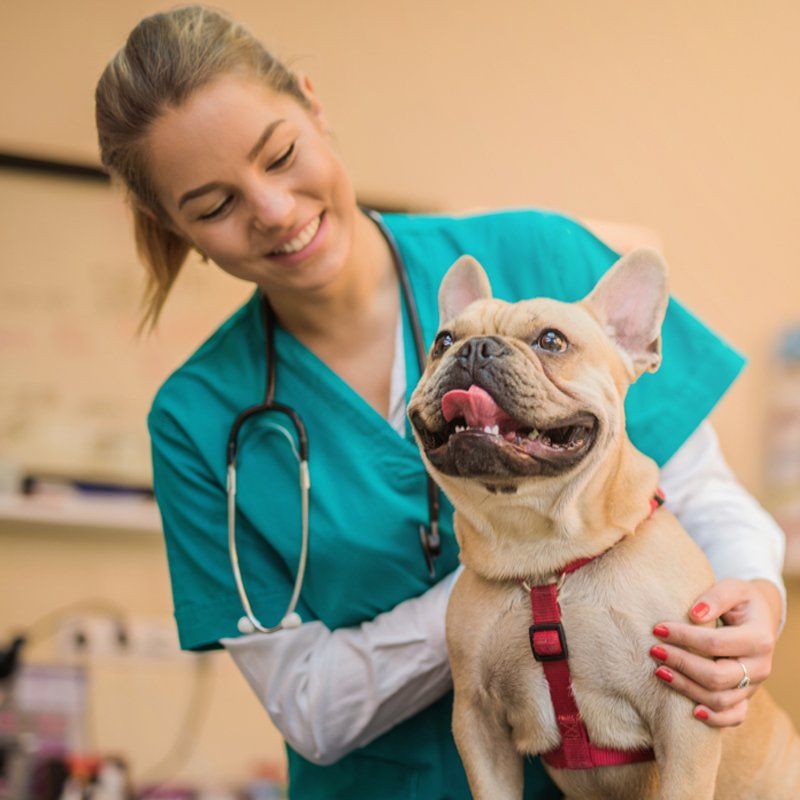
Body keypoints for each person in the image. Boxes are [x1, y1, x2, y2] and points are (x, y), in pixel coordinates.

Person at [95, 6, 786, 799]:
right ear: (171, 226)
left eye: (281, 154)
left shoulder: (538, 252)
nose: (275, 209)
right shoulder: (197, 418)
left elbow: (699, 495)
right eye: (213, 206)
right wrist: (509, 583)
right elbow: (311, 710)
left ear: (315, 106)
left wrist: (753, 603)